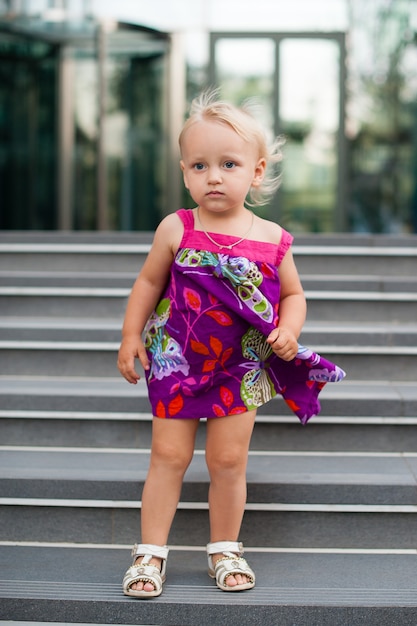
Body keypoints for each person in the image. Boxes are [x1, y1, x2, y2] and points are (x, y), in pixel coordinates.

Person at [117, 91, 345, 598]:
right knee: (167, 457)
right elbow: (147, 284)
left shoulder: (273, 237)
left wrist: (290, 329)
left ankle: (225, 547)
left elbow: (293, 294)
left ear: (257, 171)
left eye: (228, 164)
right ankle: (149, 553)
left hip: (241, 369)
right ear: (184, 172)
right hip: (177, 365)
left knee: (227, 462)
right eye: (200, 165)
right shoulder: (178, 227)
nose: (213, 176)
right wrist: (131, 335)